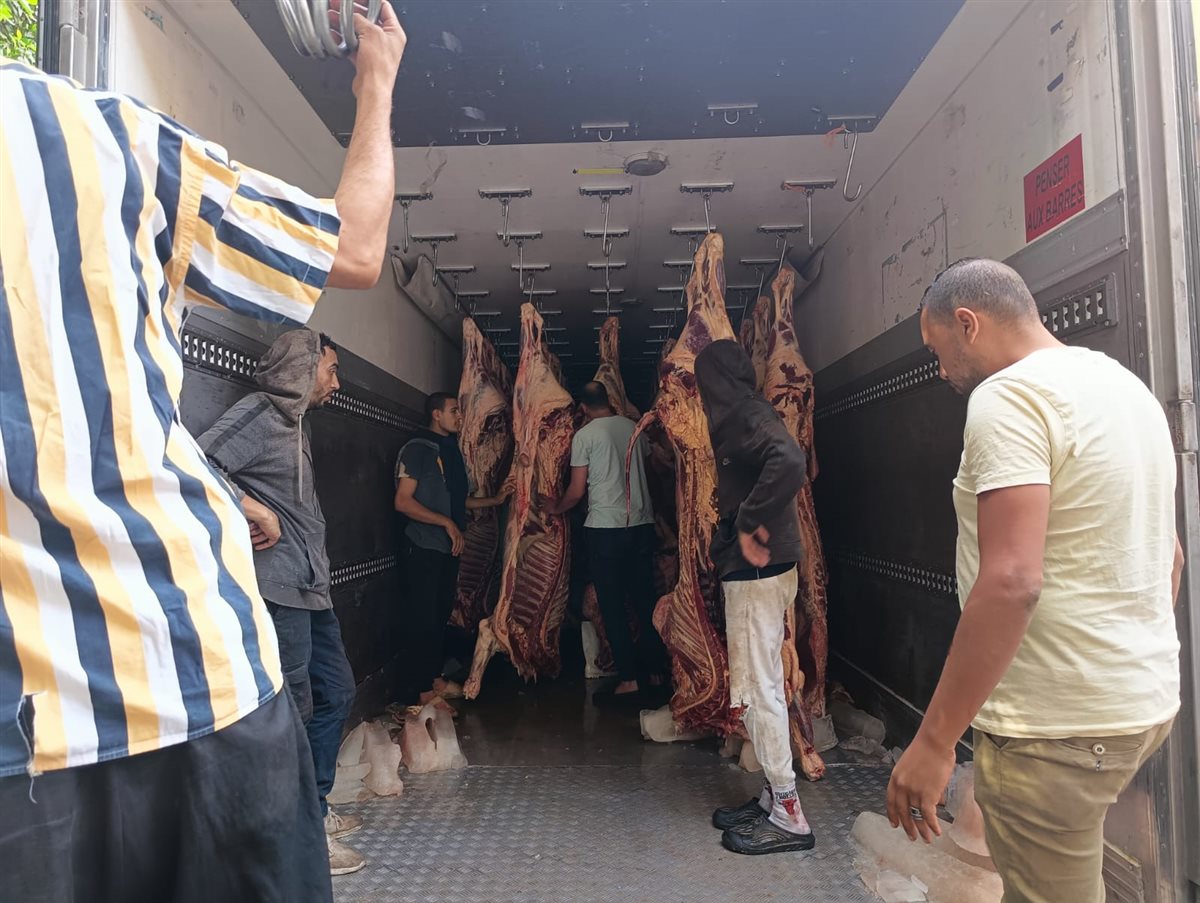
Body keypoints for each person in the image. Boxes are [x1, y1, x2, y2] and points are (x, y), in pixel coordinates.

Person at [0, 6, 405, 900]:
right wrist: (377, 79)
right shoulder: (104, 135)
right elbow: (356, 243)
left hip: (27, 738)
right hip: (192, 681)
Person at [887, 258, 1184, 903]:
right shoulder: (1125, 388)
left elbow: (1012, 580)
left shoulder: (1009, 398)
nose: (938, 370)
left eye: (937, 350)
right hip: (1142, 703)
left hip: (1054, 730)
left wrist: (934, 741)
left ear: (968, 324)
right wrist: (1123, 668)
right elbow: (1171, 556)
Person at [198, 329, 365, 876]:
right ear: (302, 367)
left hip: (311, 587)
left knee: (337, 691)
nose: (336, 383)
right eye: (331, 370)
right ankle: (298, 835)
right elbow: (195, 464)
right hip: (278, 587)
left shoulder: (296, 425)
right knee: (294, 708)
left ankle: (313, 807)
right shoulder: (260, 413)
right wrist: (254, 508)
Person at [694, 340, 816, 855]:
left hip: (756, 573)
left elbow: (789, 459)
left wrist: (746, 522)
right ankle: (772, 795)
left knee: (759, 687)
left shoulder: (745, 414)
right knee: (763, 683)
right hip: (767, 569)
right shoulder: (746, 413)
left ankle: (788, 813)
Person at [546, 381, 667, 704]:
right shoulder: (633, 428)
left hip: (605, 530)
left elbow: (576, 491)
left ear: (583, 408)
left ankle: (628, 679)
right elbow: (650, 473)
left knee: (611, 604)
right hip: (640, 525)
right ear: (610, 401)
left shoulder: (585, 436)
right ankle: (656, 672)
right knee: (645, 600)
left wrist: (555, 508)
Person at [394, 392, 508, 705]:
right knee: (423, 619)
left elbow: (460, 501)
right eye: (454, 411)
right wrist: (445, 522)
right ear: (436, 414)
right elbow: (402, 501)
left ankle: (435, 680)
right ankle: (423, 693)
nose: (460, 417)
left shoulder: (451, 451)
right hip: (422, 546)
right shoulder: (417, 449)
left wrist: (496, 500)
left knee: (439, 616)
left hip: (447, 549)